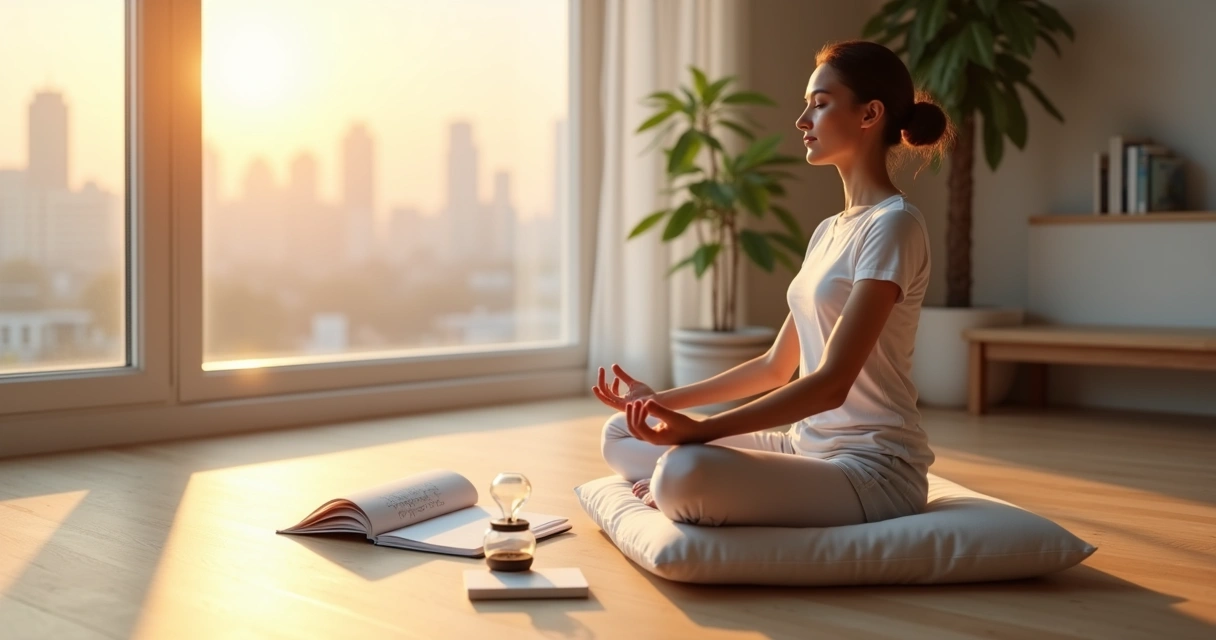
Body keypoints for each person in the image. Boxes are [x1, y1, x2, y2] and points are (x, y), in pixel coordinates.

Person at [591, 40, 951, 528]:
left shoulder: (894, 225)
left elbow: (830, 385)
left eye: (820, 104)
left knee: (681, 471)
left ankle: (681, 485)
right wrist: (656, 402)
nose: (802, 120)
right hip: (804, 447)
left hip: (872, 468)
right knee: (621, 432)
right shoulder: (829, 230)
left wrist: (700, 433)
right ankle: (695, 483)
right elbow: (774, 367)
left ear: (870, 114)